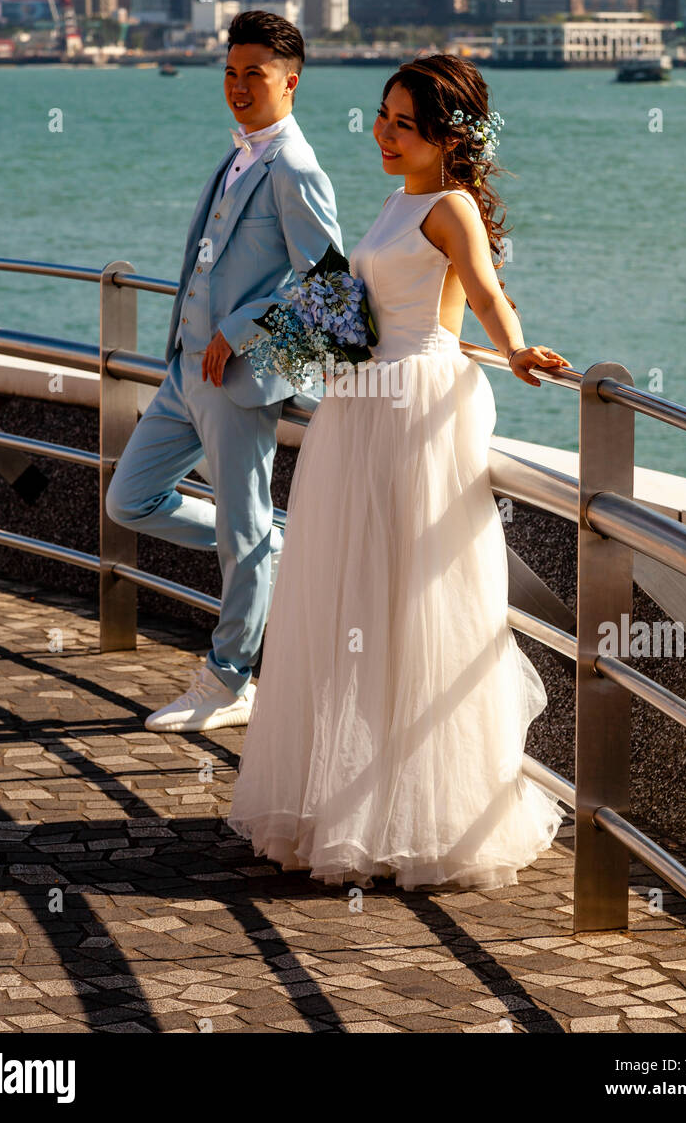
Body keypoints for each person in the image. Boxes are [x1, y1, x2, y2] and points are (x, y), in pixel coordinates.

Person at [226, 54, 572, 891]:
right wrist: (317, 331)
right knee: (352, 594)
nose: (381, 132)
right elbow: (364, 303)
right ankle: (345, 803)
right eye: (381, 116)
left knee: (413, 593)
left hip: (416, 404)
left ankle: (424, 814)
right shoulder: (394, 199)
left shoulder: (450, 206)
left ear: (449, 137)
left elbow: (485, 294)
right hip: (363, 402)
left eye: (401, 124)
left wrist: (518, 348)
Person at [106, 11, 342, 733]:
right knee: (130, 499)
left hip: (239, 380)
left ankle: (230, 679)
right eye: (231, 74)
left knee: (245, 533)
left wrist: (242, 331)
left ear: (291, 82)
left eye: (256, 75)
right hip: (184, 372)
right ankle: (271, 542)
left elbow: (329, 282)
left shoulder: (296, 166)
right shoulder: (239, 153)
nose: (239, 88)